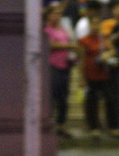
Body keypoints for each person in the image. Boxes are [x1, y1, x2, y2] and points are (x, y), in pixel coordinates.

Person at [77, 15, 117, 138]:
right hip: (90, 74)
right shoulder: (84, 40)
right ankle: (94, 127)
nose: (95, 26)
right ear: (89, 25)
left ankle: (112, 126)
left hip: (104, 74)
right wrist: (81, 77)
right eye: (92, 24)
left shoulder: (104, 38)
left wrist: (107, 54)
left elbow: (113, 50)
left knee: (110, 100)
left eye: (97, 24)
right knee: (92, 102)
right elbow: (81, 59)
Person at [44, 4, 76, 139]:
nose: (56, 16)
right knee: (52, 96)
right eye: (54, 13)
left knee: (63, 98)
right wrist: (69, 45)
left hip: (65, 66)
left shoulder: (63, 30)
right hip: (52, 66)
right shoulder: (46, 29)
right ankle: (49, 125)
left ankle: (61, 126)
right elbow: (50, 45)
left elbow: (70, 41)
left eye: (58, 13)